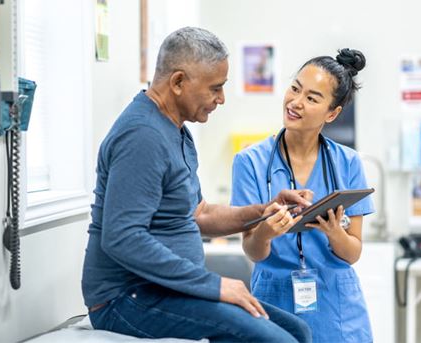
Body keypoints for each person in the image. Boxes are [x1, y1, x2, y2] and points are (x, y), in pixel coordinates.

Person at [81, 27, 312, 342]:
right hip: (127, 299)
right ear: (178, 82)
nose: (221, 98)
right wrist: (214, 285)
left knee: (297, 330)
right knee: (278, 341)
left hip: (165, 290)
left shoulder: (176, 130)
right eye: (215, 88)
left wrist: (264, 210)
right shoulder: (142, 136)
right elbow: (121, 238)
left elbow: (199, 214)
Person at [231, 49, 375, 343]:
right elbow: (253, 251)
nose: (296, 102)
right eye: (295, 88)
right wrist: (265, 232)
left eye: (312, 98)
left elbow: (353, 252)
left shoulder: (347, 163)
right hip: (274, 299)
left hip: (338, 308)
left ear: (332, 113)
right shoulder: (250, 162)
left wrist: (335, 232)